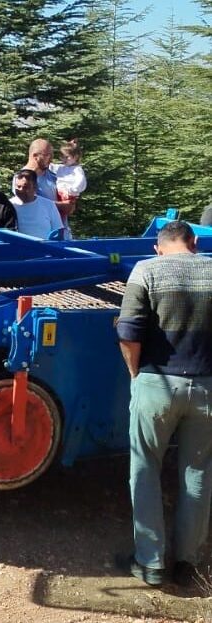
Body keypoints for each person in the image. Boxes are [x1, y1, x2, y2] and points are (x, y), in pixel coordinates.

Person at [116, 220, 212, 588]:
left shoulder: (147, 269)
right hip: (206, 386)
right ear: (194, 242)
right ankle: (187, 564)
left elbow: (128, 331)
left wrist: (135, 373)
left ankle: (150, 562)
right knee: (197, 473)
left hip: (157, 383)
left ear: (158, 246)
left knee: (144, 469)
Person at [9, 169, 64, 239]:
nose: (21, 190)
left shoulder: (48, 205)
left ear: (35, 187)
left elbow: (58, 231)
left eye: (25, 187)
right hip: (17, 248)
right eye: (18, 186)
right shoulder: (9, 205)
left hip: (43, 248)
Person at [49, 139, 87, 231]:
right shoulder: (62, 167)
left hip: (68, 194)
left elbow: (81, 181)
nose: (64, 159)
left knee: (61, 212)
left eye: (67, 157)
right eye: (62, 157)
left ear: (76, 157)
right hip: (59, 193)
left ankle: (61, 229)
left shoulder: (77, 170)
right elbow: (52, 167)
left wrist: (72, 190)